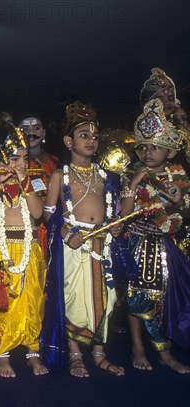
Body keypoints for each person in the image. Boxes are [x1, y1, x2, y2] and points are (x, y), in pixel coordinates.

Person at [42, 101, 125, 378]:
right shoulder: (59, 175)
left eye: (95, 136)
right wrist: (66, 234)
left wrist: (115, 227)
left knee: (107, 300)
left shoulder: (106, 177)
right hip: (74, 246)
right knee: (74, 300)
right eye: (83, 135)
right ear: (68, 141)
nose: (91, 140)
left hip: (103, 246)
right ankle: (76, 355)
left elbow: (114, 212)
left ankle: (99, 355)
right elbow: (47, 215)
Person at [120, 99, 190, 374]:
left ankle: (164, 350)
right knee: (136, 295)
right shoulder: (130, 174)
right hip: (138, 242)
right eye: (144, 147)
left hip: (167, 245)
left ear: (170, 153)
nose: (148, 152)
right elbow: (124, 214)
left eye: (156, 147)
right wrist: (136, 182)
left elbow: (185, 217)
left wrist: (178, 200)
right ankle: (140, 348)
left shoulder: (179, 177)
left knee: (166, 297)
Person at [0, 129, 48, 378]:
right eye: (13, 159)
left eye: (24, 158)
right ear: (0, 162)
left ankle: (33, 352)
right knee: (0, 303)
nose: (20, 164)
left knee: (32, 299)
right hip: (1, 250)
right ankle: (2, 354)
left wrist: (25, 183)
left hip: (29, 250)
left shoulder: (34, 181)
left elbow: (37, 214)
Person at [19, 116, 59, 258]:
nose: (31, 133)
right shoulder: (14, 163)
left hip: (50, 223)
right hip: (24, 223)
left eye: (36, 128)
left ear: (44, 133)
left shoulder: (54, 162)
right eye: (25, 129)